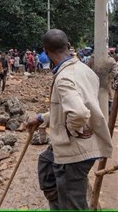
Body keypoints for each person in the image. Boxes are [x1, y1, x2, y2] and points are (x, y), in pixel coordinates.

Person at [26, 29, 113, 210]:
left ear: (46, 51)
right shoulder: (84, 69)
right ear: (68, 46)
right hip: (84, 144)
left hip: (75, 151)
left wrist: (71, 131)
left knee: (73, 204)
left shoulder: (65, 78)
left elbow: (79, 113)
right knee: (46, 164)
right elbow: (72, 109)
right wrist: (42, 117)